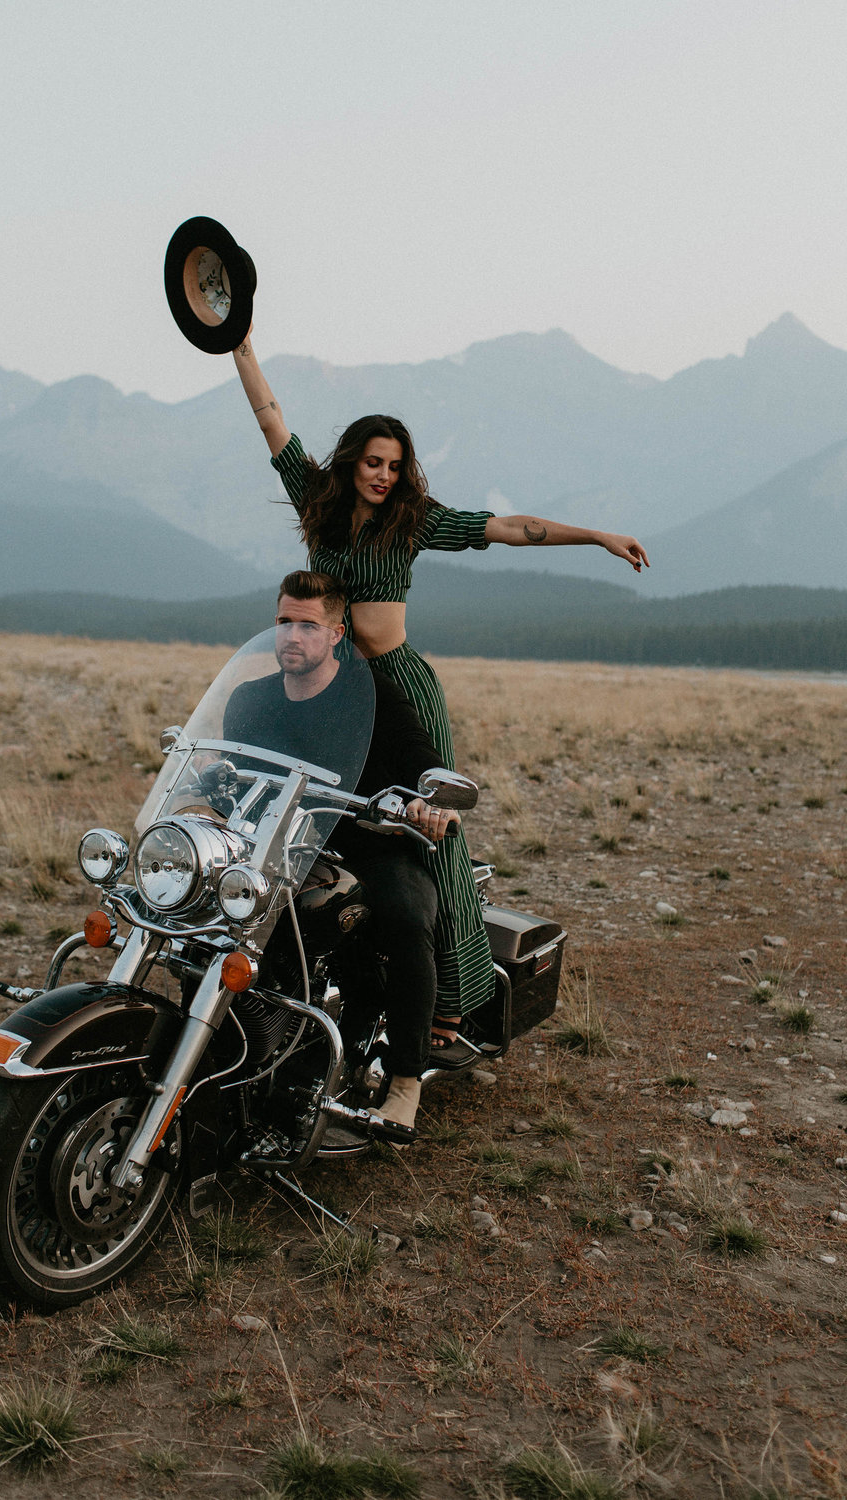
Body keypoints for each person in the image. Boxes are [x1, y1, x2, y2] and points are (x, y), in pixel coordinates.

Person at [227, 331, 650, 1056]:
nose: (384, 476)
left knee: (431, 827)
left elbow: (512, 527)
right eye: (373, 462)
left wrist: (596, 535)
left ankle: (453, 1000)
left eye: (394, 466)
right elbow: (271, 419)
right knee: (321, 813)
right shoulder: (320, 503)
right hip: (330, 681)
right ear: (352, 461)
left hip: (397, 683)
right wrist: (240, 349)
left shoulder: (412, 521)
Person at [223, 570, 462, 1133]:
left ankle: (405, 1080)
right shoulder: (250, 700)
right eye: (284, 622)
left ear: (335, 634)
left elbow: (421, 758)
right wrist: (199, 794)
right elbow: (226, 770)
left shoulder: (371, 696)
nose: (292, 636)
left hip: (369, 845)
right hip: (281, 847)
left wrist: (433, 800)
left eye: (308, 625)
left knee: (405, 918)